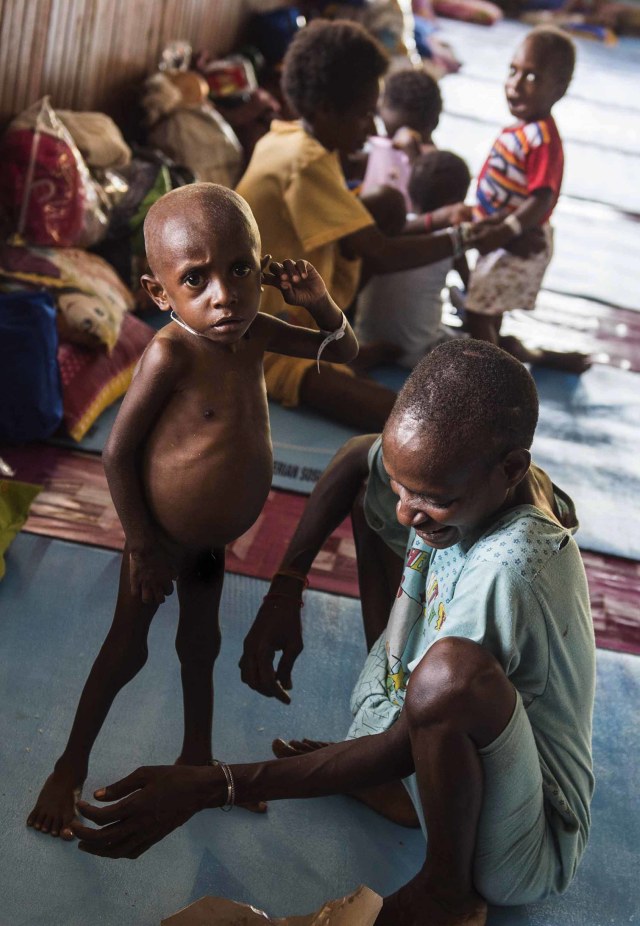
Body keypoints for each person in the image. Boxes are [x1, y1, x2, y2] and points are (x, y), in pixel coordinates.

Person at [70, 340, 595, 926]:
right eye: (402, 485)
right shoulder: (454, 473)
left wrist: (215, 785)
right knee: (377, 505)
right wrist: (285, 589)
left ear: (512, 470)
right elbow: (354, 459)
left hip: (523, 845)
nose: (407, 512)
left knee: (450, 678)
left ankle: (447, 892)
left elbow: (422, 721)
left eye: (433, 499)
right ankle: (395, 782)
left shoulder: (511, 565)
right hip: (437, 744)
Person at [26, 182, 358, 841]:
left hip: (209, 543)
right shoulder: (171, 352)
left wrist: (319, 302)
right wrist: (142, 545)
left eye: (240, 270)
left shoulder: (256, 331)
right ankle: (67, 768)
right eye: (196, 279)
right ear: (160, 294)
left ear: (261, 267)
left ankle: (198, 762)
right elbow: (118, 453)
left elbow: (342, 351)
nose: (224, 295)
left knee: (201, 646)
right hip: (159, 539)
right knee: (125, 651)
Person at [235, 19, 482, 432]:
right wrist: (465, 237)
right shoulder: (307, 163)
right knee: (415, 422)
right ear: (326, 110)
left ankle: (338, 342)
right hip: (266, 338)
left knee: (385, 203)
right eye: (364, 115)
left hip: (290, 308)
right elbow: (382, 254)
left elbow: (369, 216)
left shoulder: (289, 135)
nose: (371, 129)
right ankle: (332, 350)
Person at [458, 26, 591, 373]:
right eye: (513, 71)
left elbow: (542, 198)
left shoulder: (542, 137)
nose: (515, 84)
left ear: (559, 89)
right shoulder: (523, 129)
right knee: (487, 306)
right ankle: (501, 355)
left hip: (519, 240)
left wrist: (507, 230)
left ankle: (487, 380)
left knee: (478, 312)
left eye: (532, 76)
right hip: (504, 235)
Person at [356, 149, 472, 368]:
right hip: (420, 356)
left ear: (410, 190)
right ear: (459, 200)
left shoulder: (389, 230)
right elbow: (472, 291)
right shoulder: (450, 242)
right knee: (477, 339)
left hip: (362, 340)